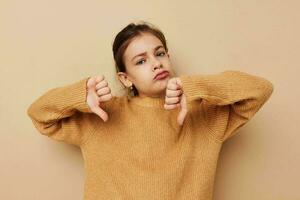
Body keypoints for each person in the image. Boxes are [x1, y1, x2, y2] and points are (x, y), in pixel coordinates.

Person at [27, 21, 274, 200]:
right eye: (141, 61)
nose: (156, 63)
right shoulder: (102, 115)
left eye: (159, 53)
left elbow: (260, 89)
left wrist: (196, 87)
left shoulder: (203, 114)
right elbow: (39, 114)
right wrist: (79, 95)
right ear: (125, 79)